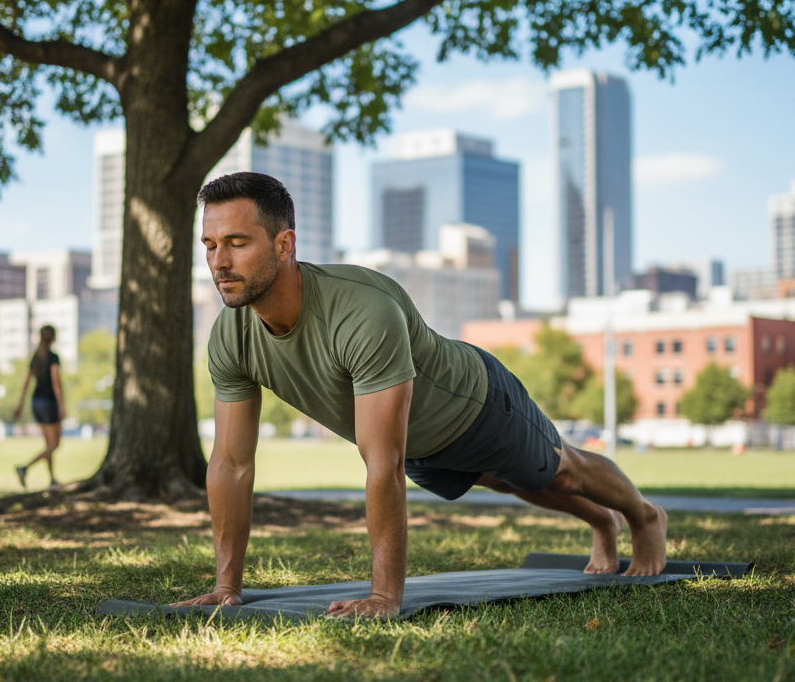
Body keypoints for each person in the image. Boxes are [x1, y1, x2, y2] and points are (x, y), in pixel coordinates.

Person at [172, 172, 667, 619]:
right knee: (513, 482)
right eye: (210, 245)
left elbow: (382, 463)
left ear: (284, 244)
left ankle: (644, 517)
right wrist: (226, 586)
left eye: (237, 243)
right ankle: (603, 521)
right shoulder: (231, 335)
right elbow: (231, 464)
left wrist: (384, 596)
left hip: (476, 403)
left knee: (560, 470)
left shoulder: (362, 310)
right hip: (421, 445)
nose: (219, 262)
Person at [12, 325, 65, 488]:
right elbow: (56, 383)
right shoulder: (53, 358)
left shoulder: (36, 357)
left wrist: (20, 404)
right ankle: (25, 467)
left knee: (48, 445)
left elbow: (26, 382)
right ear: (53, 338)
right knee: (55, 444)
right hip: (48, 402)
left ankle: (52, 479)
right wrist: (61, 404)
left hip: (36, 402)